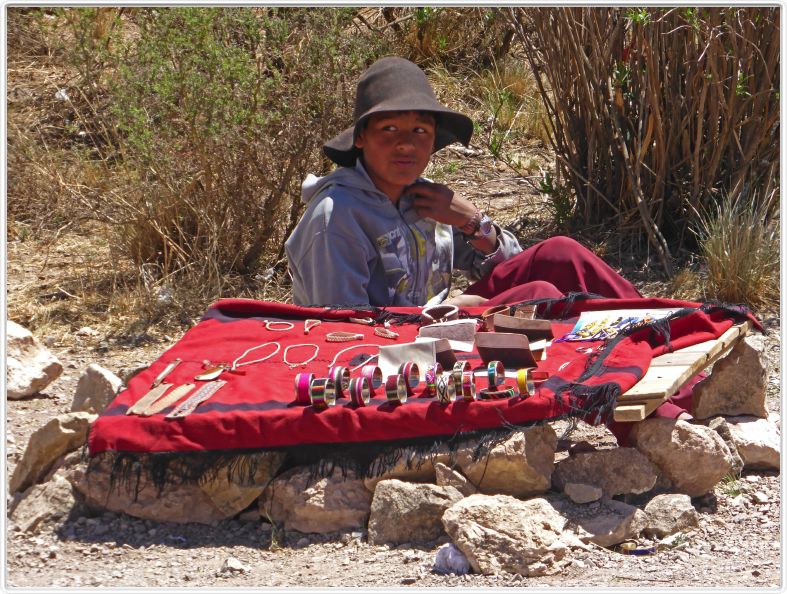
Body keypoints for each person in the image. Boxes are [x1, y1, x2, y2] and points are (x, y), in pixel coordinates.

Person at [285, 56, 641, 308]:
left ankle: (673, 334)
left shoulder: (422, 197)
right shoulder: (338, 217)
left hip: (439, 323)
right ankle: (635, 381)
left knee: (561, 254)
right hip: (399, 351)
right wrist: (452, 310)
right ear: (360, 137)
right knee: (538, 294)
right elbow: (341, 331)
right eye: (388, 129)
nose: (405, 143)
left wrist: (471, 221)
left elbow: (503, 265)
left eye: (420, 130)